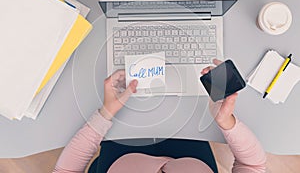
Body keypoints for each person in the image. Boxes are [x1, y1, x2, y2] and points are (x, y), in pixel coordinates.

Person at [53, 59, 266, 173]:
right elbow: (252, 166)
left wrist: (105, 114)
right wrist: (226, 121)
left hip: (121, 140)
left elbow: (65, 170)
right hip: (191, 142)